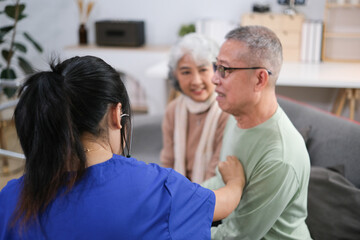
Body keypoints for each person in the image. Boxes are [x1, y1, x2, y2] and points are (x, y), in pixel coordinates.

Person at [0, 56, 245, 239]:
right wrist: (235, 182)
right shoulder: (159, 188)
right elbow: (220, 204)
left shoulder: (10, 199)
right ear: (116, 114)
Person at [202, 26, 312, 239]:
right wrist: (180, 199)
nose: (215, 78)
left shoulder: (280, 158)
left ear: (260, 79)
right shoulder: (236, 116)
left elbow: (238, 236)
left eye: (225, 69)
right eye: (216, 66)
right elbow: (222, 178)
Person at [161, 33, 229, 184]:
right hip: (178, 192)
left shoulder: (227, 112)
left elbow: (217, 172)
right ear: (175, 75)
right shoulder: (173, 110)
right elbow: (168, 161)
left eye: (203, 70)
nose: (196, 81)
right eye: (186, 72)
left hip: (211, 195)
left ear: (216, 70)